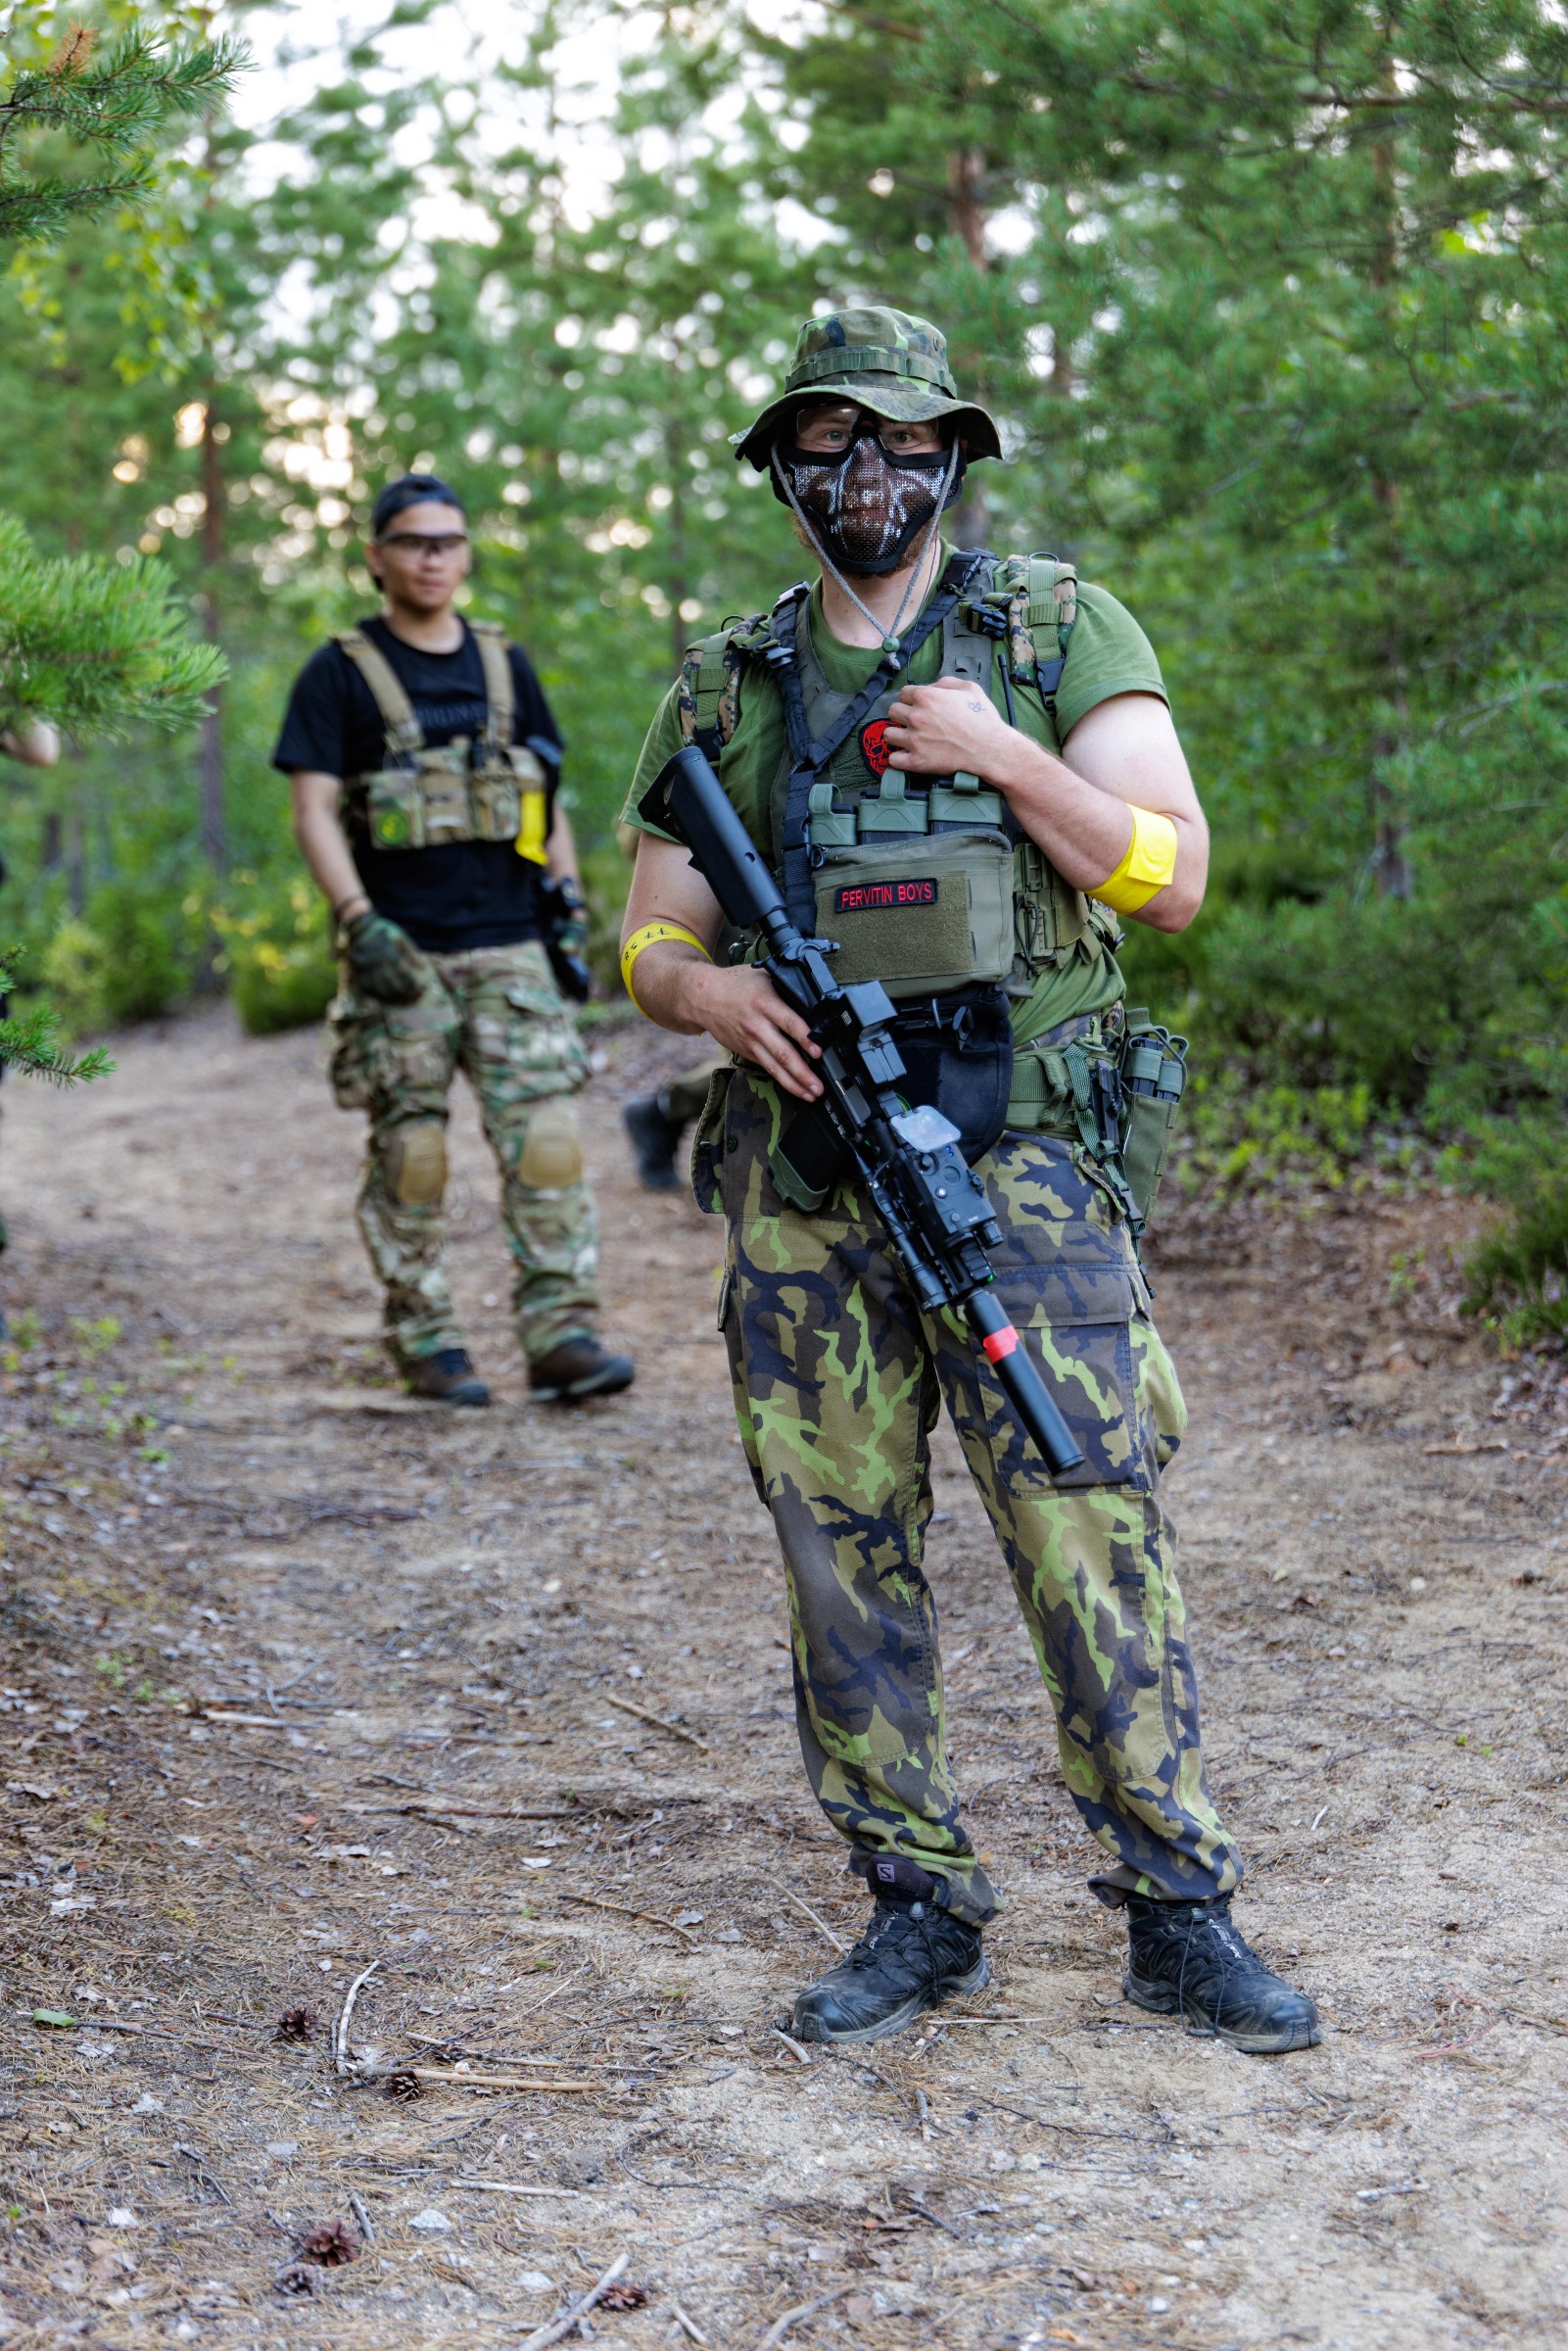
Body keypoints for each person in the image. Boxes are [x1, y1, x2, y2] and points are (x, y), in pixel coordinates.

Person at [619, 308, 1318, 2053]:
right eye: (829, 440)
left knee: (1087, 1515)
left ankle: (1178, 1910)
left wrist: (1003, 753)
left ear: (954, 455)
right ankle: (915, 1901)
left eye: (903, 439)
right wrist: (710, 998)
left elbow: (1171, 878)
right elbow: (647, 938)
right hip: (807, 1176)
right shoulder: (728, 683)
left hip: (1026, 1172)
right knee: (837, 1545)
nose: (867, 474)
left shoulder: (1054, 629)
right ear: (783, 464)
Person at [276, 472, 633, 1407]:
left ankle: (560, 1333)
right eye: (412, 542)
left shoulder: (503, 663)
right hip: (401, 954)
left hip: (511, 944)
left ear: (466, 552)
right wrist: (358, 920)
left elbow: (541, 797)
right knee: (412, 1156)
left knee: (547, 1143)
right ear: (376, 555)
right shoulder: (339, 671)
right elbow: (312, 810)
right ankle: (426, 1337)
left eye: (448, 541)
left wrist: (566, 904)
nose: (432, 558)